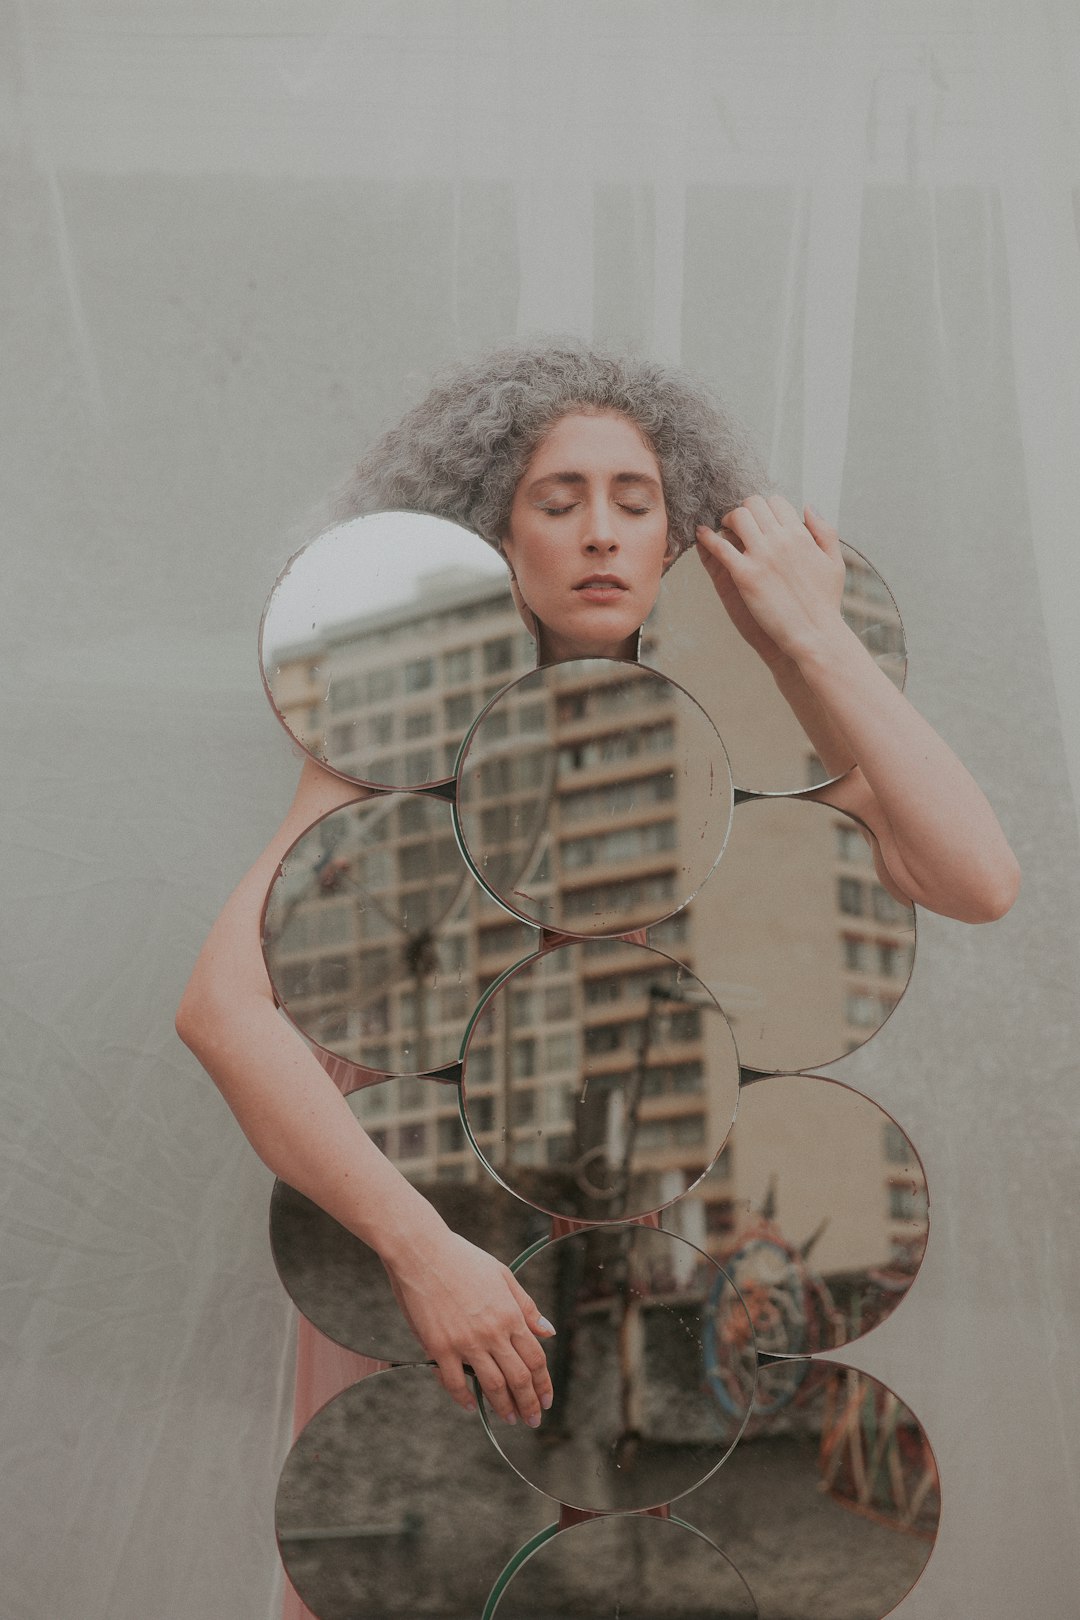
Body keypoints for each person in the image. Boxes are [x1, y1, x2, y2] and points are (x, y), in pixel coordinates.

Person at [176, 340, 1020, 1448]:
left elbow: (978, 880)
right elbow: (223, 1010)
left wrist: (812, 634)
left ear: (680, 533)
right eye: (556, 501)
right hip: (432, 1208)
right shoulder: (400, 725)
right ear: (491, 532)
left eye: (636, 501)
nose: (601, 532)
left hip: (648, 1223)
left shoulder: (748, 721)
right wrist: (425, 1254)